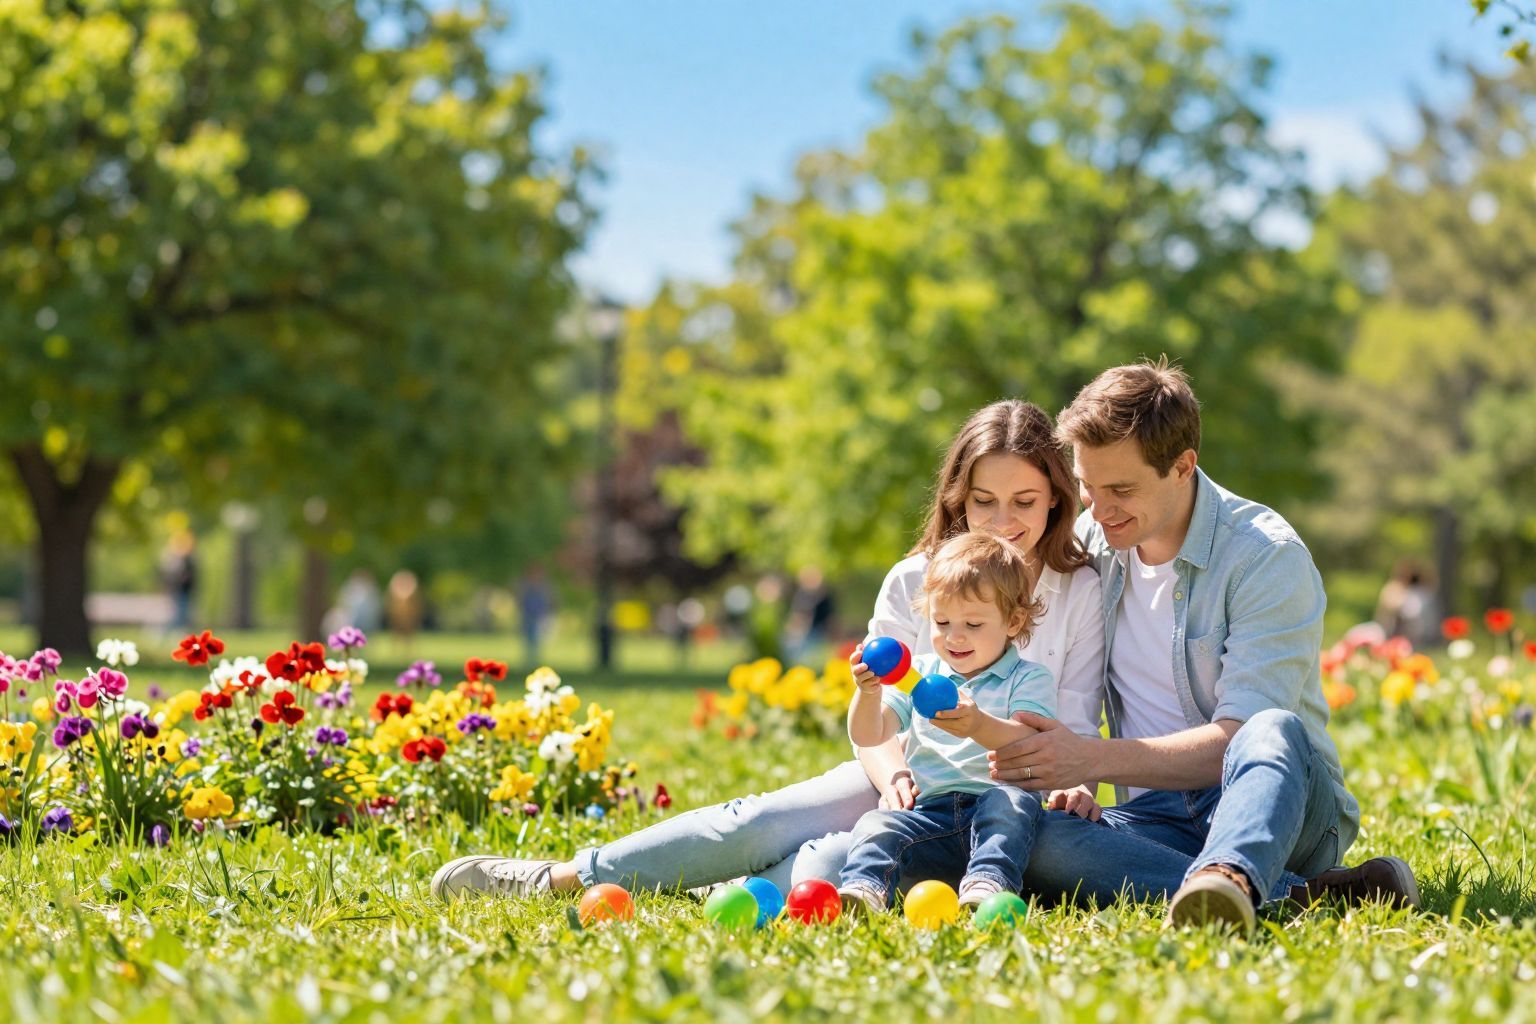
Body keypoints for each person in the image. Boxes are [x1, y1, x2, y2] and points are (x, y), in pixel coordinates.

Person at [432, 399, 1107, 900]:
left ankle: (712, 889)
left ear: (1056, 500)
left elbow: (1071, 723)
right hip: (910, 777)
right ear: (959, 499)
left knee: (830, 862)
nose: (1003, 521)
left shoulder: (1079, 591)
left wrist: (1073, 782)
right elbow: (878, 714)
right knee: (761, 819)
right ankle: (559, 878)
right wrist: (893, 773)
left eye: (1025, 500)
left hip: (1006, 801)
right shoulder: (917, 580)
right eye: (984, 501)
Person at [984, 360, 1418, 934]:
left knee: (1268, 727)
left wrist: (1089, 757)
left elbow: (1237, 741)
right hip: (1156, 813)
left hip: (1280, 805)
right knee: (1036, 840)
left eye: (1121, 490)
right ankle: (1294, 897)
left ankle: (1238, 873)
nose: (1097, 508)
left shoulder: (1265, 557)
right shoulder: (1093, 544)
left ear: (1183, 467)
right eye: (1088, 485)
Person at [838, 533, 1055, 913]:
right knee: (877, 823)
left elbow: (1028, 740)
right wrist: (868, 694)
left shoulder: (1029, 678)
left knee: (1010, 803)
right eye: (941, 621)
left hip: (997, 810)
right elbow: (869, 734)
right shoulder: (918, 673)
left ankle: (987, 884)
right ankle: (863, 891)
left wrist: (978, 725)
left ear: (1013, 620)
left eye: (973, 624)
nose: (954, 636)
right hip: (930, 814)